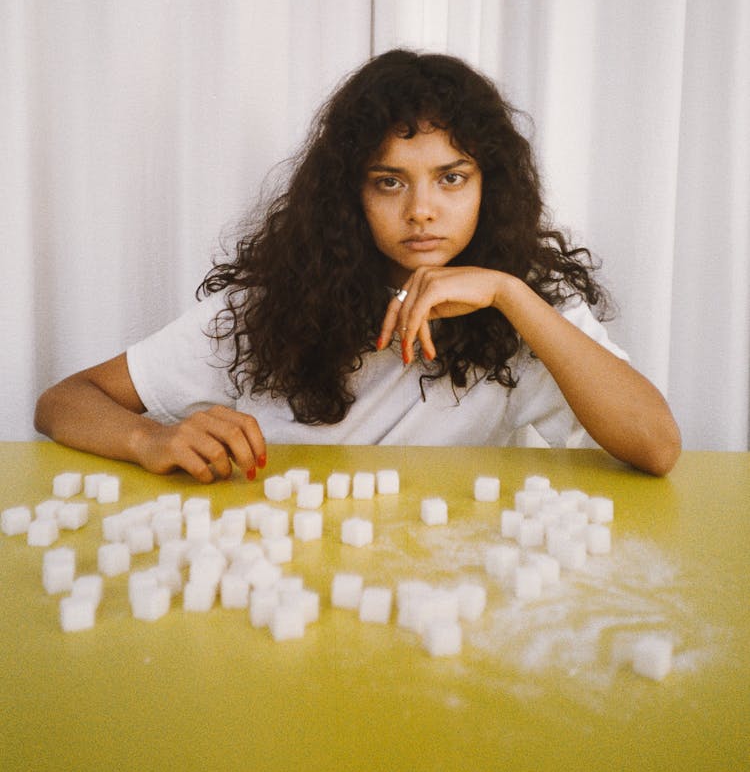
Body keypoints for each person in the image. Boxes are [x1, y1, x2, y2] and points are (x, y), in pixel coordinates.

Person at [35, 49, 681, 479]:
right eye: (389, 182)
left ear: (491, 186)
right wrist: (153, 441)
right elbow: (64, 400)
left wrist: (511, 294)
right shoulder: (269, 310)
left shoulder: (521, 313)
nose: (422, 210)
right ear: (351, 193)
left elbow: (658, 444)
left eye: (451, 178)